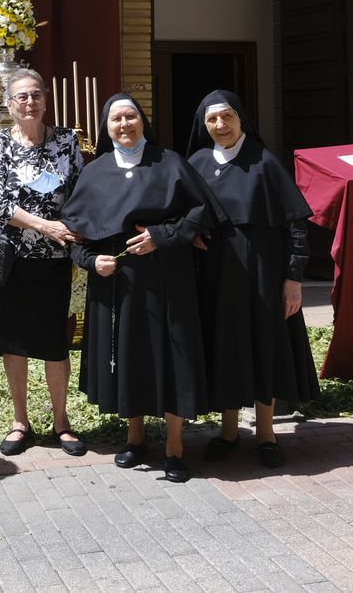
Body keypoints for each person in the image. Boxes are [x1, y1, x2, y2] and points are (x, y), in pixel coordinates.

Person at [59, 94, 225, 484]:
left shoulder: (170, 162)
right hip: (119, 283)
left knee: (172, 356)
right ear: (107, 127)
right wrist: (90, 262)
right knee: (129, 355)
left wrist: (161, 235)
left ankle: (174, 446)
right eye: (116, 119)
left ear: (143, 121)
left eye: (131, 116)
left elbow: (201, 211)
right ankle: (134, 439)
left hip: (168, 277)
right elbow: (76, 233)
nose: (124, 125)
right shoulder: (95, 171)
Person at [184, 90, 320, 471]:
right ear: (204, 124)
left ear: (241, 118)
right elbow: (184, 215)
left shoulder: (264, 162)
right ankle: (228, 432)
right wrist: (190, 233)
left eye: (227, 116)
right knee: (225, 346)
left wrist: (293, 279)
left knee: (263, 346)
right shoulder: (195, 163)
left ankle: (266, 432)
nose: (220, 125)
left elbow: (295, 223)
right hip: (215, 276)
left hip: (263, 274)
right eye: (212, 120)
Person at [0, 69, 86, 458]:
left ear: (46, 98)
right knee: (13, 339)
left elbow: (81, 192)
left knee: (55, 342)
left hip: (53, 258)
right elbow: (0, 203)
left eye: (35, 95)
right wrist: (46, 226)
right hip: (9, 256)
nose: (29, 103)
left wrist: (75, 228)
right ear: (9, 104)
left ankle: (62, 422)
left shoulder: (67, 141)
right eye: (21, 97)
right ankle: (20, 421)